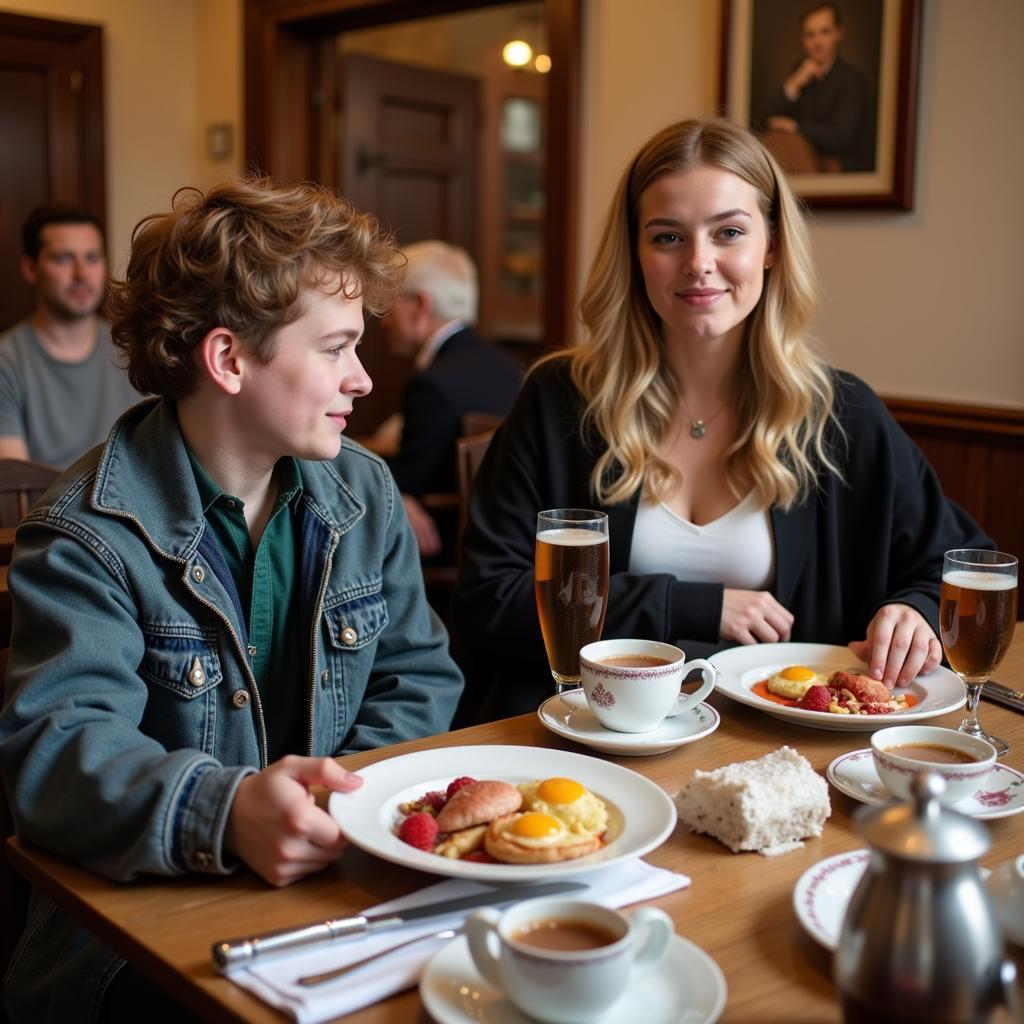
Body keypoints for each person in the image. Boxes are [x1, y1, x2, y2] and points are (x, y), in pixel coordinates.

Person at [0, 179, 463, 1023]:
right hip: (144, 926)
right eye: (335, 348)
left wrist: (341, 806)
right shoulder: (86, 533)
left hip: (342, 891)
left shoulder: (365, 491)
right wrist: (230, 811)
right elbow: (61, 752)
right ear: (228, 360)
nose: (362, 379)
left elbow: (418, 674)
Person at [452, 117, 989, 722]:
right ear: (635, 251)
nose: (699, 263)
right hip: (588, 741)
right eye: (667, 238)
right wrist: (691, 606)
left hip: (771, 751)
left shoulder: (843, 415)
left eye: (729, 232)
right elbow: (485, 602)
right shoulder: (558, 399)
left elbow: (961, 563)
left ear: (773, 246)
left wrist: (915, 610)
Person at [372, 241, 520, 557]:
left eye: (391, 304)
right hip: (517, 542)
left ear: (421, 305)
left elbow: (410, 483)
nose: (384, 321)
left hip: (452, 551)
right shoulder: (513, 369)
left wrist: (397, 490)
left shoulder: (432, 386)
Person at [0, 203, 138, 468]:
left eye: (92, 258)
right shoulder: (6, 363)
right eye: (63, 258)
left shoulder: (133, 348)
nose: (81, 274)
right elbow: (14, 490)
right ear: (30, 269)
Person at [763, 2, 875, 172]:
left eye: (824, 32)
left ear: (838, 34)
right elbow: (767, 119)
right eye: (810, 35)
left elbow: (840, 136)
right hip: (801, 161)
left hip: (841, 170)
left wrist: (795, 127)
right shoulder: (799, 72)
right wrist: (794, 83)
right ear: (802, 39)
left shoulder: (851, 79)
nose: (817, 42)